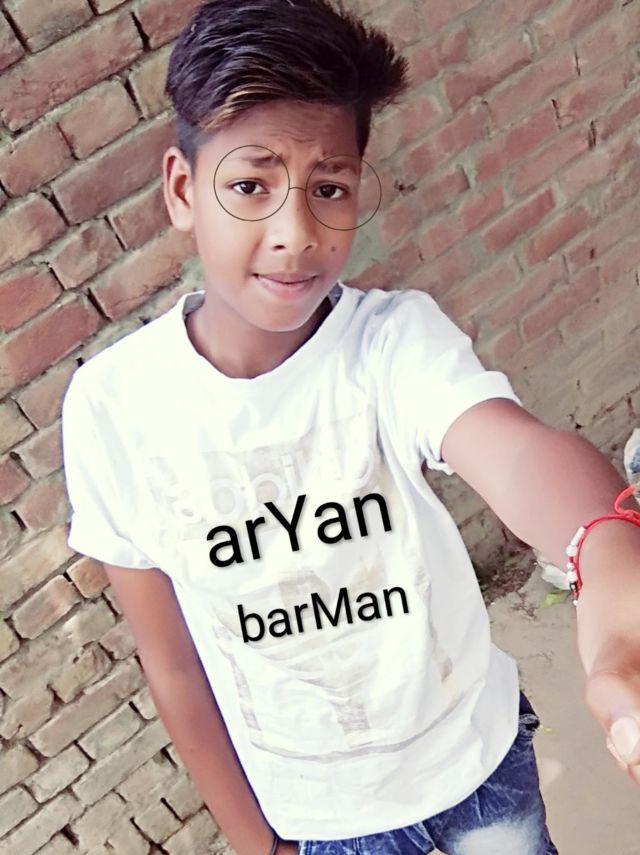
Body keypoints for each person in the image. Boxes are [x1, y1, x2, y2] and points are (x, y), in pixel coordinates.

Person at [60, 1, 640, 854]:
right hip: (321, 820)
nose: (296, 234)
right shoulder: (114, 407)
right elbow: (172, 661)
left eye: (329, 188)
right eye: (251, 186)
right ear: (183, 189)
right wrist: (256, 842)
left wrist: (611, 563)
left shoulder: (392, 344)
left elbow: (517, 452)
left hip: (474, 766)